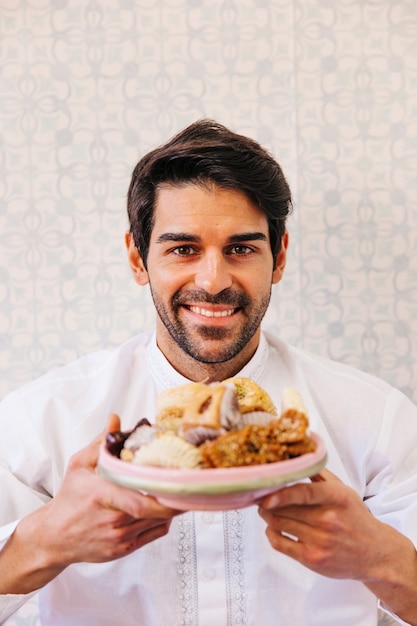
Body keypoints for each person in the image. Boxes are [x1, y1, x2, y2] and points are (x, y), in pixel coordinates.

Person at [0, 119, 417, 626]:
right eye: (183, 249)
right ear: (138, 258)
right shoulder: (37, 423)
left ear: (279, 258)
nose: (214, 281)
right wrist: (43, 543)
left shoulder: (379, 419)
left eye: (241, 248)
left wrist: (384, 560)